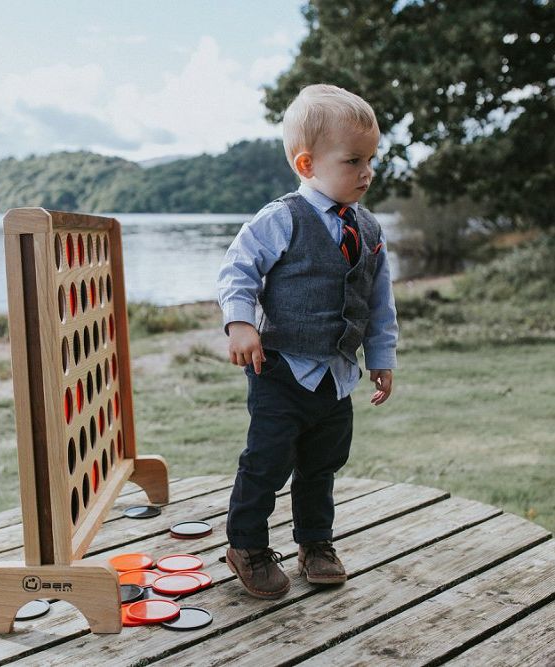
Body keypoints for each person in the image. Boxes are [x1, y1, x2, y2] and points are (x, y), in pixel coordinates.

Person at [217, 83, 398, 599]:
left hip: (337, 376)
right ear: (307, 163)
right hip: (281, 369)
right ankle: (246, 544)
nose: (367, 172)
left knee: (322, 465)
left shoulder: (368, 228)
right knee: (267, 461)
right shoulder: (281, 218)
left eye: (371, 159)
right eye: (353, 160)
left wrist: (381, 356)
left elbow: (379, 300)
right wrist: (241, 322)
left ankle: (316, 543)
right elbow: (238, 270)